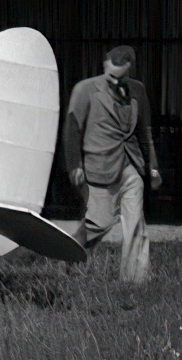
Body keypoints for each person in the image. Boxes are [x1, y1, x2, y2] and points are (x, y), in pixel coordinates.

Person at [63, 45, 162, 283]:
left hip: (131, 165)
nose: (115, 80)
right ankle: (70, 255)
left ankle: (133, 281)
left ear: (130, 70)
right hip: (100, 165)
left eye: (121, 76)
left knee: (135, 222)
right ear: (105, 66)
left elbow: (145, 133)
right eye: (111, 75)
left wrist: (153, 167)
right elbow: (72, 129)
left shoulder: (138, 90)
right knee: (100, 222)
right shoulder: (85, 89)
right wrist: (74, 164)